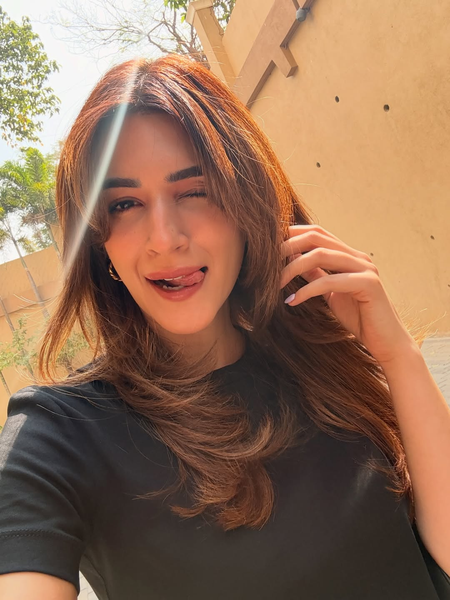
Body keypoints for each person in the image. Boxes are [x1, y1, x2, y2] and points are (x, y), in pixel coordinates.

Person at [0, 54, 449, 600]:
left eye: (194, 190)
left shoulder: (322, 366)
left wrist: (398, 356)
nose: (164, 238)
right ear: (101, 241)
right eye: (125, 203)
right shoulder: (60, 436)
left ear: (247, 203)